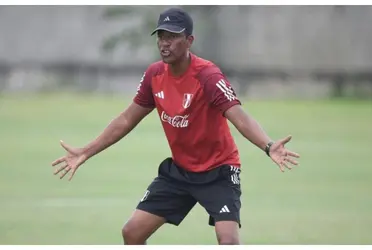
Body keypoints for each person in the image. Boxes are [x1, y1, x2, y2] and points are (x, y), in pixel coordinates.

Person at [51, 7, 300, 245]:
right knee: (132, 232)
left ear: (189, 41)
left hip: (219, 171)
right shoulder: (154, 75)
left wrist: (268, 146)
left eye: (172, 37)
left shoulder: (208, 76)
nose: (164, 43)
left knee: (229, 241)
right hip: (180, 172)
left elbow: (238, 115)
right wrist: (86, 151)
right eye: (161, 36)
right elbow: (126, 119)